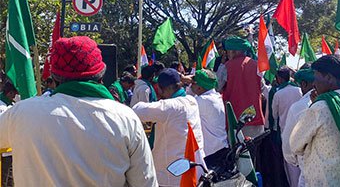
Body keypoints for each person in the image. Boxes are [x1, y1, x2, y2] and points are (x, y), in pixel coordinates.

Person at [0, 37, 156, 186]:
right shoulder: (125, 118)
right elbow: (145, 182)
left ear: (54, 77)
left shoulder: (22, 113)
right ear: (101, 75)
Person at [289, 55, 340, 187]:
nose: (314, 83)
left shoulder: (319, 109)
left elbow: (294, 144)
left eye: (316, 77)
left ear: (329, 78)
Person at [132, 68, 205, 187]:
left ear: (165, 88)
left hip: (172, 176)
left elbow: (137, 110)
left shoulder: (170, 107)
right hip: (193, 169)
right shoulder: (191, 101)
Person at [220, 36, 264, 137]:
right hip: (255, 118)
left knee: (238, 151)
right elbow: (262, 87)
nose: (227, 54)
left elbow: (217, 87)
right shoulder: (257, 65)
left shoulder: (226, 66)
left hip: (235, 121)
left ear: (234, 52)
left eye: (228, 51)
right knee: (256, 151)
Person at [281, 67, 316, 187]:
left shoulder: (298, 108)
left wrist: (294, 160)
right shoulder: (336, 103)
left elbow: (288, 145)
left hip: (305, 167)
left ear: (304, 84)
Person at [190, 68, 229, 170]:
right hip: (220, 148)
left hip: (211, 154)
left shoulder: (202, 101)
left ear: (199, 88)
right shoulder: (216, 97)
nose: (190, 85)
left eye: (193, 83)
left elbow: (185, 105)